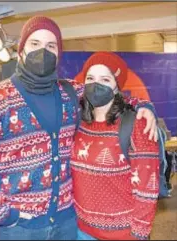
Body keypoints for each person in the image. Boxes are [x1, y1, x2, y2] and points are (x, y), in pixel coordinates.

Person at [0, 16, 158, 240]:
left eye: (51, 46)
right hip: (19, 227)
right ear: (22, 49)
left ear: (59, 54)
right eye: (35, 44)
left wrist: (144, 106)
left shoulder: (70, 93)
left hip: (67, 222)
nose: (43, 51)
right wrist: (3, 214)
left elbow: (108, 93)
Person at [71, 52, 160, 240]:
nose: (96, 85)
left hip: (123, 234)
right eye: (90, 78)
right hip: (81, 231)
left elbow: (147, 189)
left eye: (105, 79)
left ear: (117, 86)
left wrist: (139, 234)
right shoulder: (77, 120)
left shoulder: (137, 125)